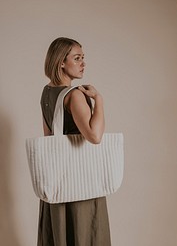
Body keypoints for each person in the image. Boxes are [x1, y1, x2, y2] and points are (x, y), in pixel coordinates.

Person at [37, 37, 111, 246]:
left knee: (60, 233)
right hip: (81, 179)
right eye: (77, 58)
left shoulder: (46, 93)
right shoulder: (74, 96)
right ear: (61, 62)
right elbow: (94, 136)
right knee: (86, 231)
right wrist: (99, 100)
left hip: (57, 180)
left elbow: (49, 138)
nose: (83, 64)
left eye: (83, 58)